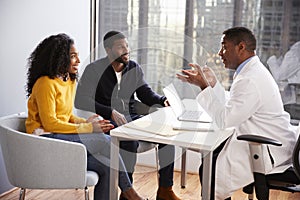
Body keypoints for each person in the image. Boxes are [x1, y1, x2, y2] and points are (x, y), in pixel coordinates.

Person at [177, 27, 299, 199]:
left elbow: (225, 119)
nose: (220, 53)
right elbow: (235, 105)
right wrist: (212, 85)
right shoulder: (252, 71)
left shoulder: (249, 78)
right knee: (211, 156)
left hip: (267, 147)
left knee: (210, 169)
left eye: (224, 47)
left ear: (241, 47)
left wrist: (204, 86)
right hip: (272, 139)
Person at [25, 33, 146, 200]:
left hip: (61, 137)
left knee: (108, 165)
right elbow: (50, 124)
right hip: (45, 140)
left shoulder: (68, 80)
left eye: (77, 56)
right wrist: (89, 128)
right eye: (73, 56)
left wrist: (86, 121)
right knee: (107, 140)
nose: (78, 61)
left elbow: (66, 116)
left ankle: (128, 193)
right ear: (59, 58)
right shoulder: (46, 83)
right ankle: (130, 193)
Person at [75, 31, 181, 200]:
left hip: (131, 117)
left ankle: (165, 190)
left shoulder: (133, 68)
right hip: (106, 120)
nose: (126, 50)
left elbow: (145, 93)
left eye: (127, 46)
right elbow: (80, 100)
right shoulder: (94, 70)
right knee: (129, 141)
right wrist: (109, 111)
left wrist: (162, 100)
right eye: (120, 47)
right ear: (108, 50)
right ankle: (127, 192)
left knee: (166, 135)